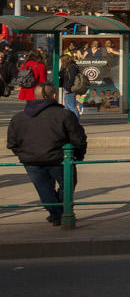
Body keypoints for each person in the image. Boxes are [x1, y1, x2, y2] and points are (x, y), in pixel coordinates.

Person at [7, 82, 86, 227]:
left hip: (31, 160)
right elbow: (78, 138)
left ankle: (56, 215)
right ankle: (61, 213)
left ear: (34, 96)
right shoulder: (65, 115)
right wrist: (78, 155)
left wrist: (23, 154)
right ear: (54, 96)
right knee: (67, 185)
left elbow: (12, 143)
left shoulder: (18, 118)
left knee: (44, 189)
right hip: (59, 159)